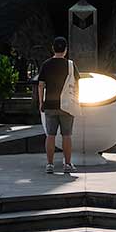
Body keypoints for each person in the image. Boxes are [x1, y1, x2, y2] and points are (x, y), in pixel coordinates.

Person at [37, 36, 79, 175]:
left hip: (50, 105)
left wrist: (41, 102)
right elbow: (77, 84)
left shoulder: (46, 64)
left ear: (53, 49)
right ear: (66, 50)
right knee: (67, 135)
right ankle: (67, 165)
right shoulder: (71, 65)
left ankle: (50, 165)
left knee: (50, 135)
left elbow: (41, 84)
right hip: (66, 106)